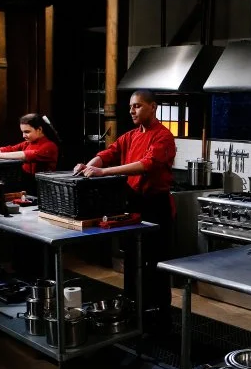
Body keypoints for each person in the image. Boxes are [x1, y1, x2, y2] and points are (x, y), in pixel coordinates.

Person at [73, 90, 177, 331]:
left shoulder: (163, 136)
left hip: (156, 208)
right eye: (131, 106)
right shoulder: (130, 136)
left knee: (156, 264)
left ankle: (161, 319)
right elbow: (107, 154)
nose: (132, 110)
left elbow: (146, 165)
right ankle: (133, 311)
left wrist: (103, 172)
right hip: (133, 206)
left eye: (137, 106)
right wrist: (88, 167)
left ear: (153, 107)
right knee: (132, 260)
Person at [0, 113, 60, 191]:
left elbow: (28, 155)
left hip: (41, 188)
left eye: (27, 132)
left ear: (39, 129)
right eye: (22, 132)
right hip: (27, 184)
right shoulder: (28, 143)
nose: (23, 136)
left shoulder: (50, 146)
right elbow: (10, 148)